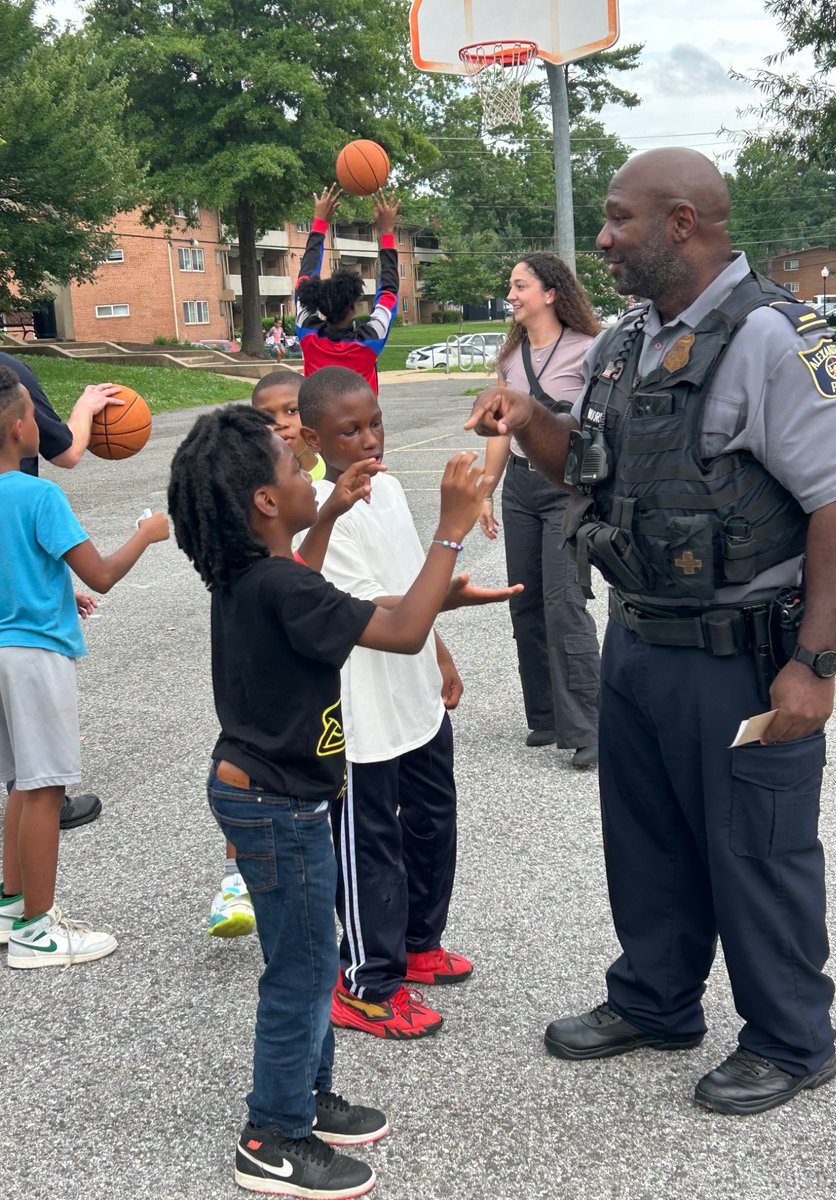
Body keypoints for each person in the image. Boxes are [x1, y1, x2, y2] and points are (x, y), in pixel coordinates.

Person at [466, 148, 836, 1116]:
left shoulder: (779, 340)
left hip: (740, 653)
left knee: (756, 845)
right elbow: (590, 466)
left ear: (682, 225)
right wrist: (528, 417)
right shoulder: (626, 342)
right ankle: (657, 999)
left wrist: (815, 663)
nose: (603, 241)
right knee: (646, 835)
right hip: (640, 638)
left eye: (619, 222)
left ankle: (791, 1036)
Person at [167, 401, 493, 1197]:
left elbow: (316, 584)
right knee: (303, 973)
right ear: (265, 504)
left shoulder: (254, 569)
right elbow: (406, 630)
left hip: (269, 796)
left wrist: (333, 514)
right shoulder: (280, 583)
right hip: (278, 806)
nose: (311, 471)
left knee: (306, 963)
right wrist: (450, 527)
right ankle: (271, 1138)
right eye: (294, 468)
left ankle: (305, 1098)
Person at [297, 366, 523, 1039]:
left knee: (432, 821)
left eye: (375, 424)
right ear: (313, 438)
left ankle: (419, 942)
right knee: (372, 847)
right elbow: (374, 607)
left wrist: (441, 649)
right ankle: (367, 982)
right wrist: (450, 541)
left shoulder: (389, 489)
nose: (369, 440)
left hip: (413, 691)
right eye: (349, 430)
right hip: (361, 714)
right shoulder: (318, 512)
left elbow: (408, 581)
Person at [0, 366, 169, 967]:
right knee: (45, 788)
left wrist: (53, 589)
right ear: (23, 428)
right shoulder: (40, 494)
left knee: (21, 781)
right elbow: (99, 573)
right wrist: (146, 535)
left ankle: (10, 903)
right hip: (34, 656)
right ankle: (37, 932)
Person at [206, 371, 326, 939]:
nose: (281, 421)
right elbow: (395, 627)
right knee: (303, 963)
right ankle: (238, 875)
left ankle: (254, 870)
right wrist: (449, 534)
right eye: (268, 415)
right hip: (275, 771)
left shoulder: (315, 483)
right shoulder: (260, 524)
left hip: (309, 646)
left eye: (291, 409)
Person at [479, 253, 602, 769]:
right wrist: (486, 490)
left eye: (520, 285)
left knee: (563, 603)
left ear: (551, 293)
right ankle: (547, 715)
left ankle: (590, 727)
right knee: (524, 602)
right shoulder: (511, 358)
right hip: (521, 491)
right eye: (511, 286)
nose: (511, 294)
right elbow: (502, 432)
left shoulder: (589, 351)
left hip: (565, 490)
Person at [0, 351, 125, 830]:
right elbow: (69, 451)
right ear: (18, 427)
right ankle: (37, 899)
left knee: (15, 767)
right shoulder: (11, 376)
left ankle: (16, 895)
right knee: (38, 784)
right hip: (33, 645)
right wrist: (86, 405)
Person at [294, 185, 399, 393]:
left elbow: (304, 279)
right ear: (352, 309)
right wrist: (387, 232)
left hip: (319, 425)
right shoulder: (370, 342)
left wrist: (319, 223)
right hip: (361, 425)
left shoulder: (308, 335)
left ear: (321, 305)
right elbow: (388, 292)